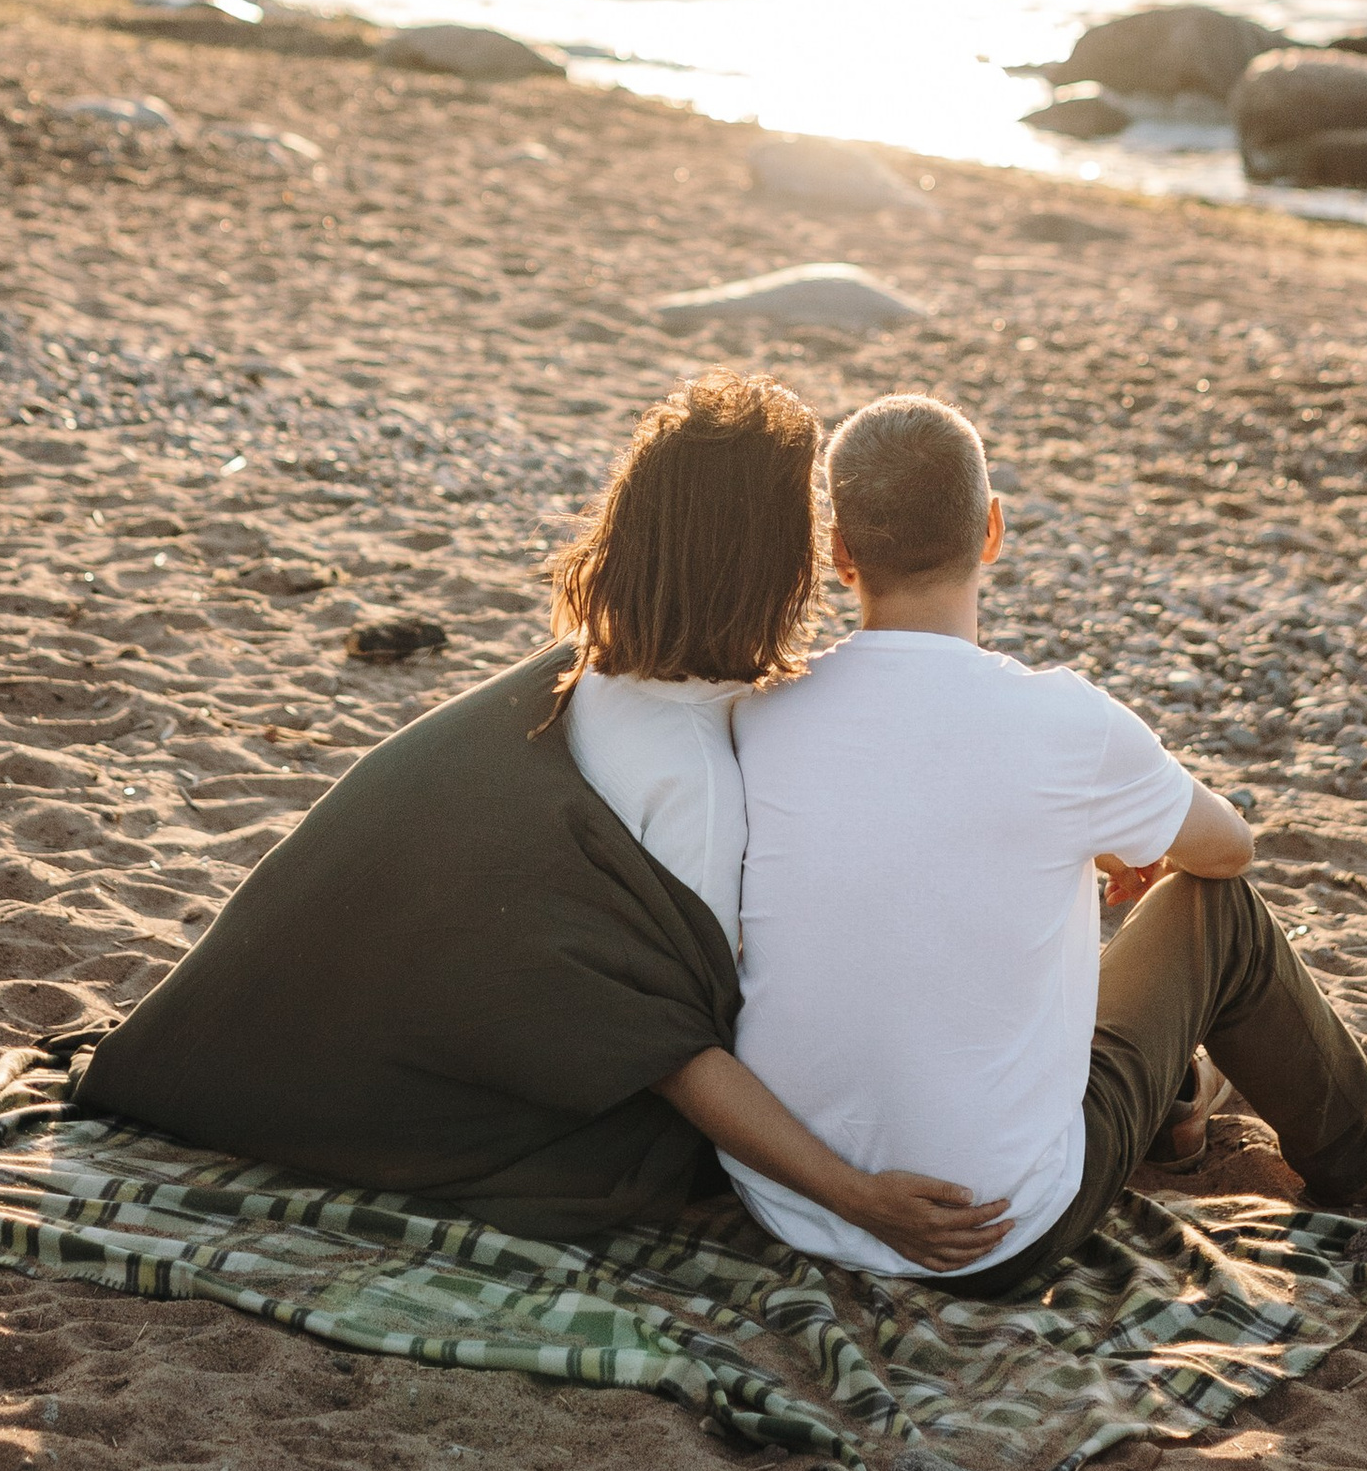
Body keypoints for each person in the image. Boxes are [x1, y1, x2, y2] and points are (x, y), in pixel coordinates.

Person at [74, 374, 1010, 1272]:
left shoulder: (593, 667)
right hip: (536, 1118)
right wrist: (854, 1194)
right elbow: (672, 1048)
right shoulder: (696, 774)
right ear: (778, 563)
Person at [726, 392, 1367, 1289]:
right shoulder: (1064, 723)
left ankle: (1175, 1109)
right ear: (992, 532)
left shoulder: (759, 710)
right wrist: (1119, 838)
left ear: (840, 552)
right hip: (995, 1227)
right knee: (1215, 913)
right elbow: (1229, 849)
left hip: (789, 1203)